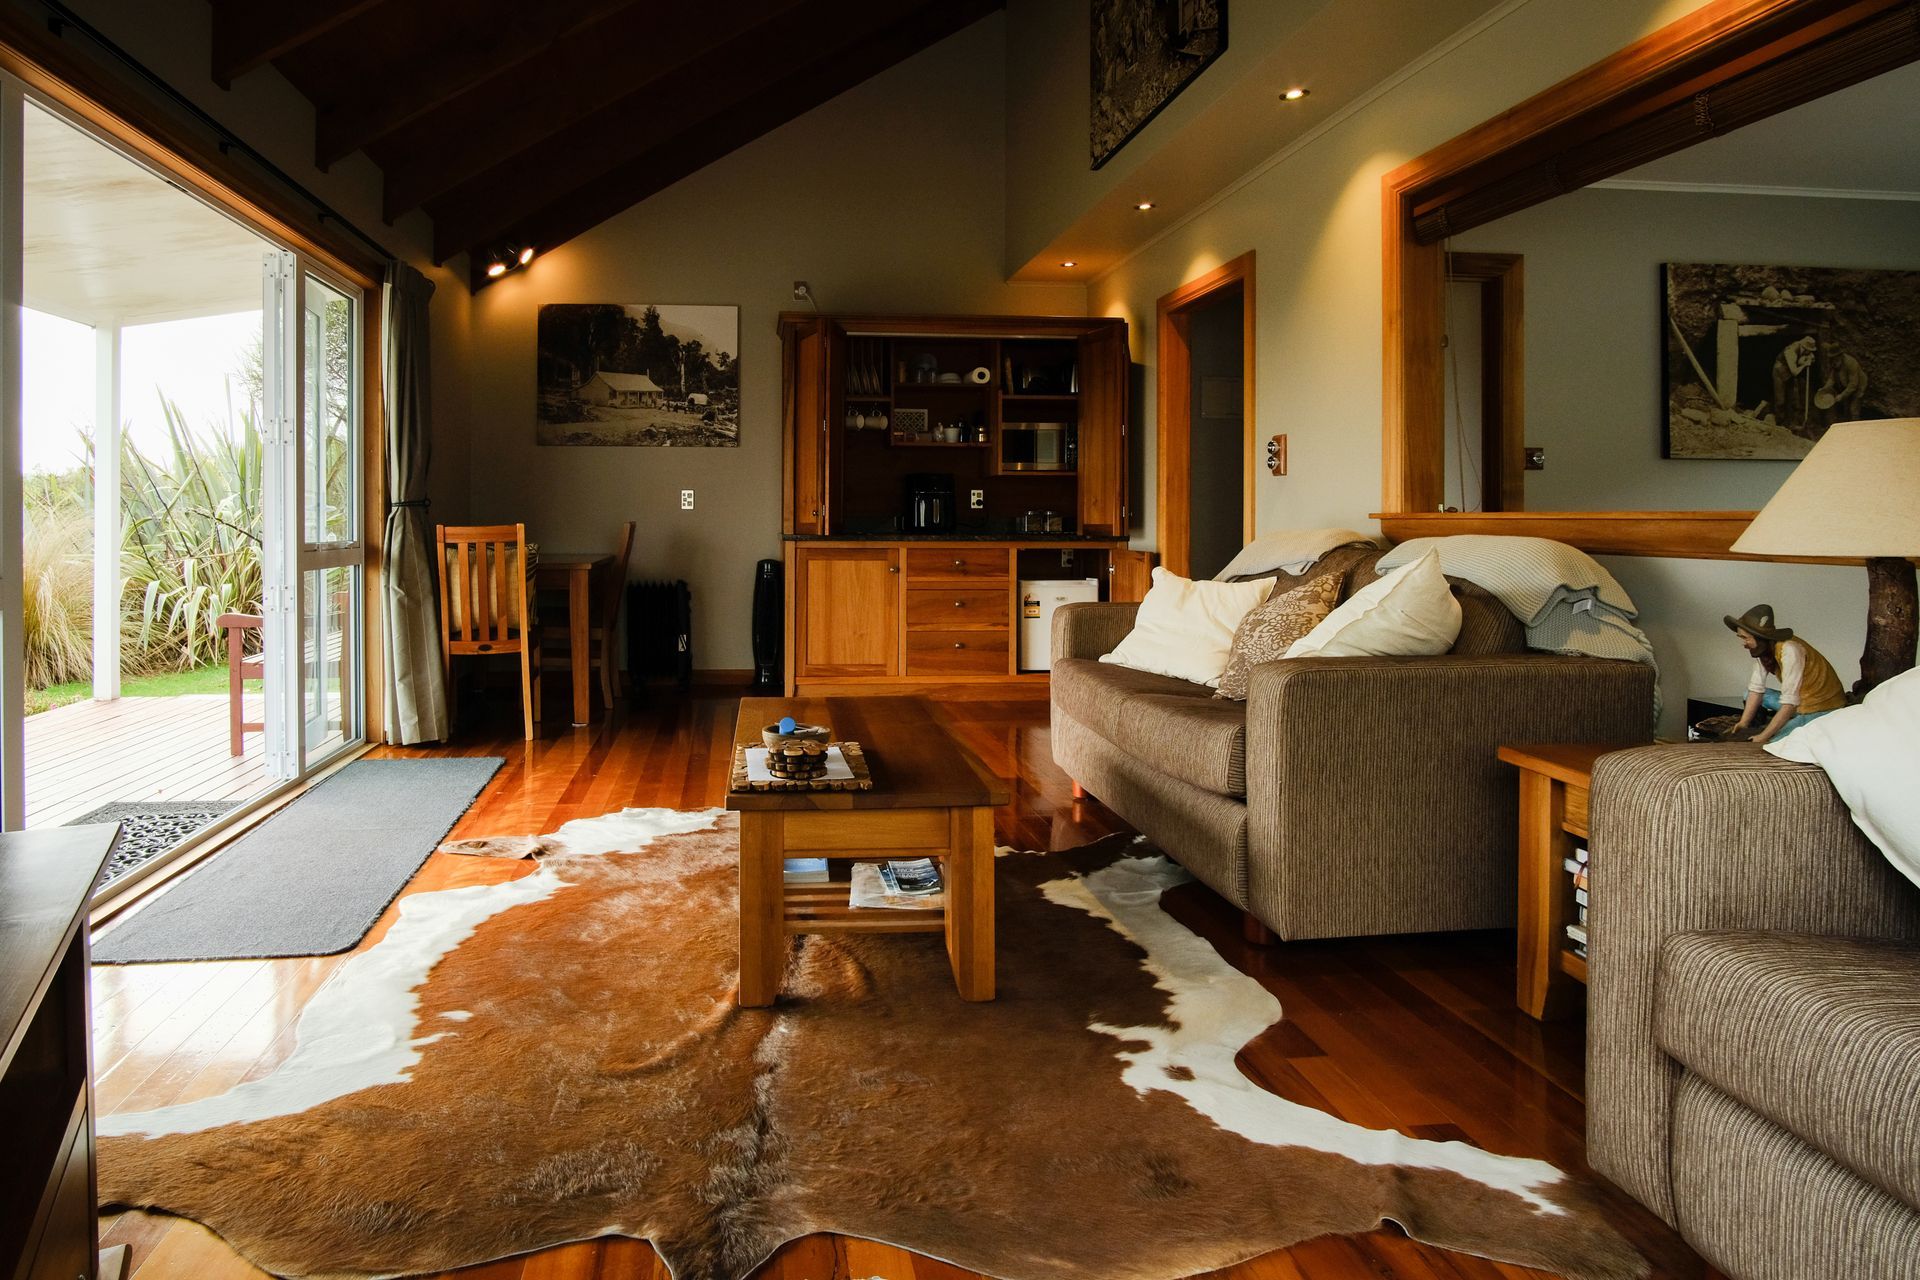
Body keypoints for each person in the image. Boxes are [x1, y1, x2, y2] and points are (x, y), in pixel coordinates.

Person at [1724, 604, 1849, 744]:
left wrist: (1764, 736)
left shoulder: (1790, 650)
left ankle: (1773, 730)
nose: (1743, 643)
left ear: (1759, 638)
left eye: (1746, 638)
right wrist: (1743, 723)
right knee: (1748, 694)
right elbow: (1756, 689)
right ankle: (1756, 728)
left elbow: (1790, 703)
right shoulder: (1764, 651)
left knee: (1775, 741)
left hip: (1821, 706)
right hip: (1800, 701)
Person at [1770, 335, 1818, 432]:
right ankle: (1780, 424)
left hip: (1790, 373)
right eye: (1809, 351)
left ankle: (1789, 424)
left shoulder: (1804, 350)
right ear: (1805, 348)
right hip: (1780, 372)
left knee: (1791, 399)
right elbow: (1795, 372)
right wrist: (1804, 364)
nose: (1810, 353)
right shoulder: (1790, 352)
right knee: (1780, 400)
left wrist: (1809, 359)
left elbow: (1811, 358)